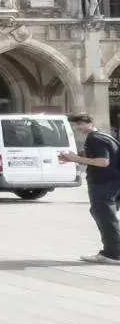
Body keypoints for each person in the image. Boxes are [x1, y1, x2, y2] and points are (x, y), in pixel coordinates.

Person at [61, 112, 119, 264]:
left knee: (105, 216)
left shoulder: (95, 138)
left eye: (80, 124)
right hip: (111, 182)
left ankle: (113, 254)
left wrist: (76, 159)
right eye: (74, 125)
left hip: (104, 183)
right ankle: (111, 251)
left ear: (90, 123)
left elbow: (103, 162)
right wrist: (72, 158)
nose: (77, 127)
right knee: (100, 213)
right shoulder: (103, 136)